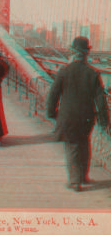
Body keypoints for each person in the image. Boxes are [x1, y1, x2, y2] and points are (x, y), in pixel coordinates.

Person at [46, 36, 110, 192]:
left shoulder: (63, 71)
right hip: (87, 118)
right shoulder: (93, 73)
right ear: (86, 54)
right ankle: (83, 177)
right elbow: (100, 100)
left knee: (71, 146)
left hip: (67, 117)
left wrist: (51, 113)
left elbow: (52, 95)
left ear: (72, 53)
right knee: (83, 144)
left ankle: (74, 181)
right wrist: (103, 121)